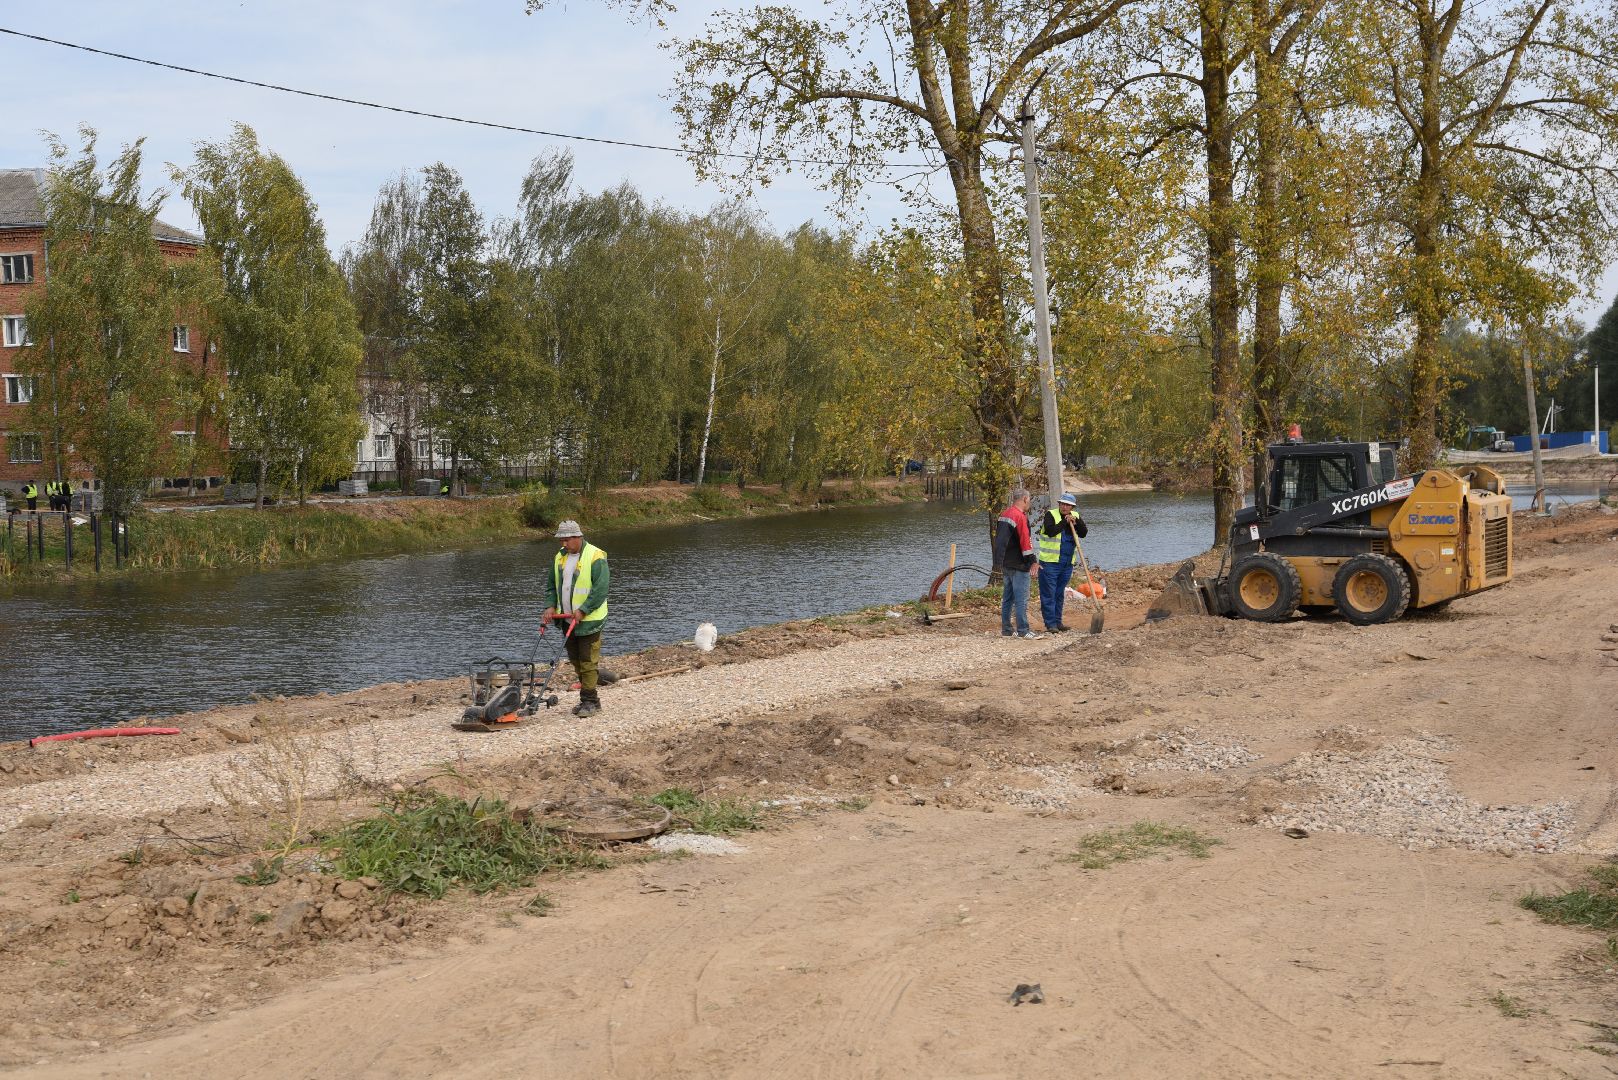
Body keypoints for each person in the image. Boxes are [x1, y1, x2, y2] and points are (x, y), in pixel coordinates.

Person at [542, 519, 610, 718]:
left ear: (578, 537)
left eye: (567, 540)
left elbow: (600, 589)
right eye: (561, 540)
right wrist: (550, 605)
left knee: (588, 661)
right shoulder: (559, 558)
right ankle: (591, 699)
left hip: (590, 620)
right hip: (566, 619)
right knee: (575, 660)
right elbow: (551, 586)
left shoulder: (595, 556)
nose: (563, 544)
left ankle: (589, 700)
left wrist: (584, 610)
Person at [1036, 492, 1089, 632]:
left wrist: (1076, 523)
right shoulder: (1050, 515)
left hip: (1066, 564)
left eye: (1068, 505)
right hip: (1049, 563)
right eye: (1062, 504)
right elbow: (1051, 531)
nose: (1064, 507)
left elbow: (1083, 533)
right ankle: (1050, 624)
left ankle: (1058, 622)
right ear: (1059, 504)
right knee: (1049, 594)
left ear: (1072, 507)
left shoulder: (1075, 516)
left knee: (1059, 593)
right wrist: (1064, 522)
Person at [996, 487, 1040, 639]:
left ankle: (1007, 629)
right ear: (1025, 499)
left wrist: (999, 561)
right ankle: (1023, 630)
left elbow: (1000, 541)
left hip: (1006, 563)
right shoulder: (1020, 516)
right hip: (1019, 564)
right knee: (1021, 599)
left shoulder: (1004, 514)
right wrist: (1032, 562)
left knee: (1008, 598)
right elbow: (1025, 543)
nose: (1029, 503)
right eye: (1029, 500)